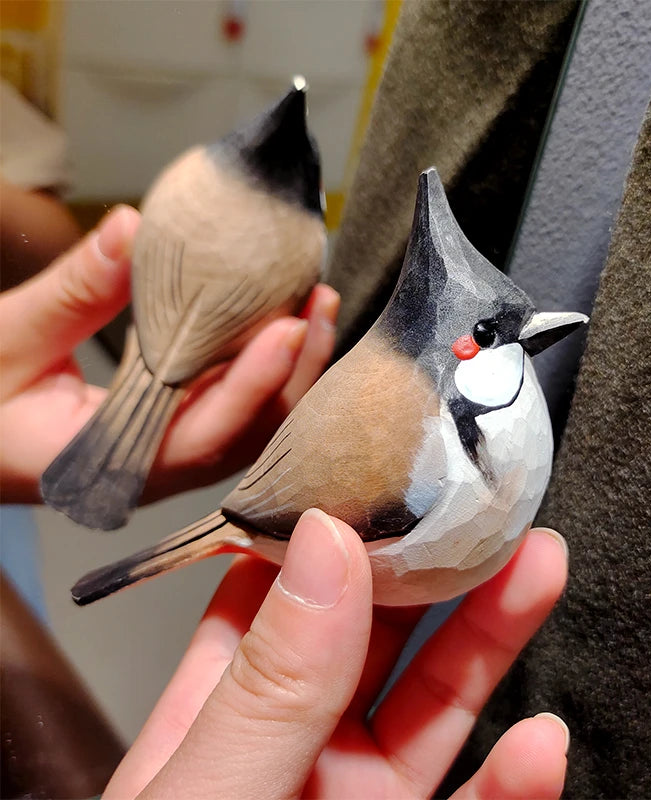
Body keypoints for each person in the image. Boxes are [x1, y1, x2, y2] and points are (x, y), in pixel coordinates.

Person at [0, 208, 571, 799]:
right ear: (463, 345)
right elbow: (295, 493)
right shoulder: (431, 455)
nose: (514, 344)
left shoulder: (504, 416)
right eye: (487, 332)